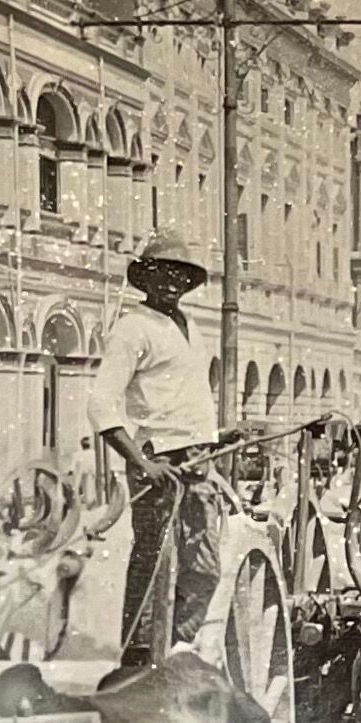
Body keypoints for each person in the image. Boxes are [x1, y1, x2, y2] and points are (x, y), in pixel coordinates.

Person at [91, 230, 221, 666]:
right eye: (162, 273)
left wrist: (220, 434)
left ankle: (175, 649)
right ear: (145, 278)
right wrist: (142, 463)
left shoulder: (189, 327)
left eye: (180, 276)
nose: (171, 283)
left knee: (204, 566)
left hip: (198, 458)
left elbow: (185, 393)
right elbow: (101, 404)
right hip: (158, 459)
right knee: (152, 564)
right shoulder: (133, 328)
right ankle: (138, 660)